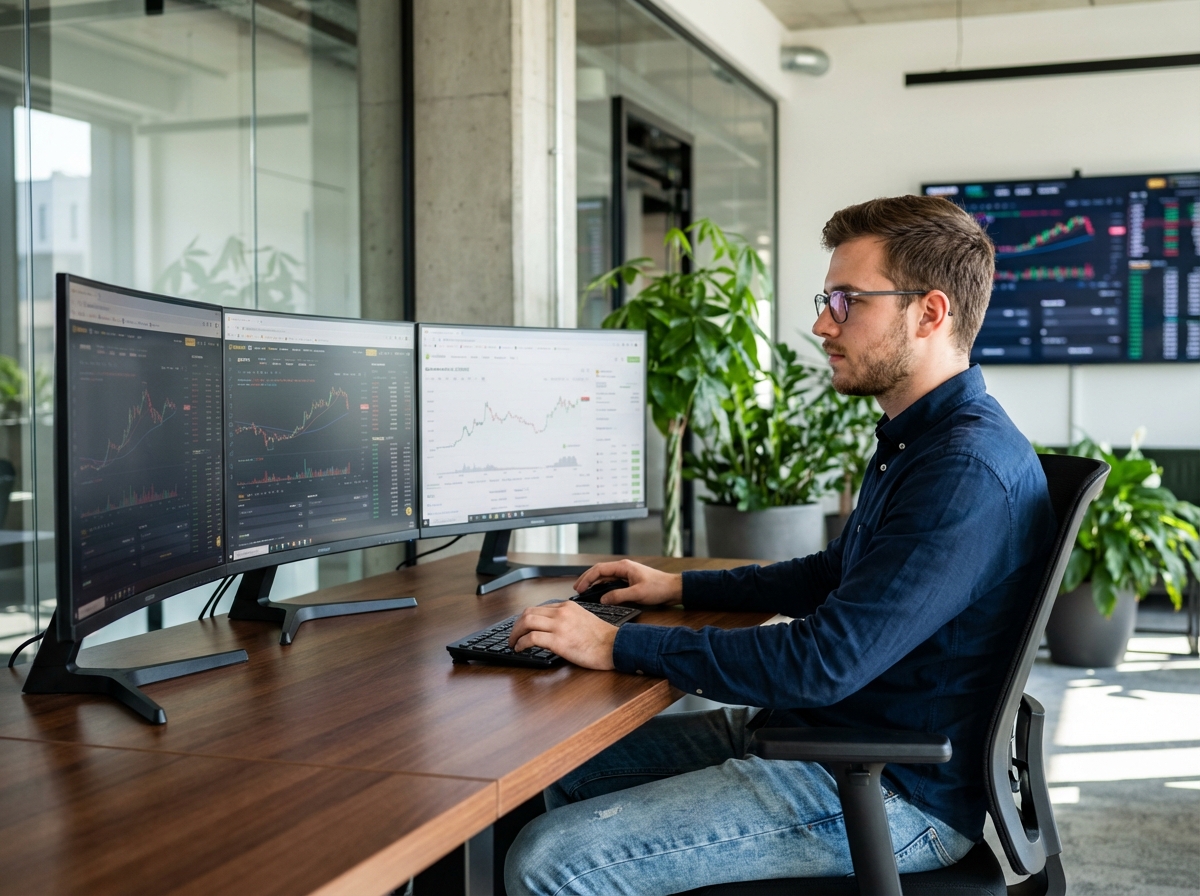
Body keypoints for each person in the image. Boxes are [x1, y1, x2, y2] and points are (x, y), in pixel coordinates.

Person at [504, 195, 1055, 896]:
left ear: (930, 313)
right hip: (832, 737)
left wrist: (616, 645)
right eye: (827, 298)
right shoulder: (922, 438)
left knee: (548, 859)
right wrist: (679, 588)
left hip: (890, 789)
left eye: (847, 301)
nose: (823, 323)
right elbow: (837, 573)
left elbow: (825, 660)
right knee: (567, 772)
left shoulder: (962, 469)